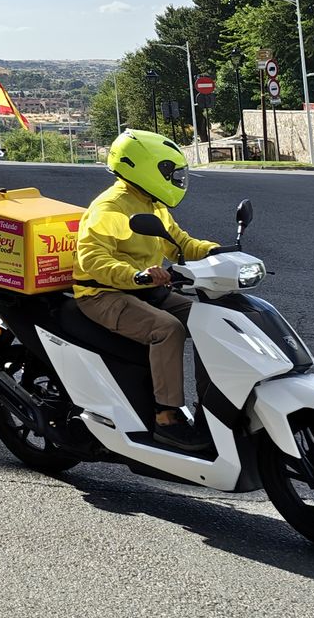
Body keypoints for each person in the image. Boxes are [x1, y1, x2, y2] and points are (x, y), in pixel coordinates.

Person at [73, 128, 220, 453]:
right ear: (141, 168)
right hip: (102, 294)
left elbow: (179, 243)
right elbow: (92, 259)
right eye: (169, 172)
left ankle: (214, 408)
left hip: (143, 288)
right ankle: (166, 417)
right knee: (167, 329)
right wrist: (136, 275)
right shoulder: (110, 207)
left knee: (210, 319)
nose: (177, 179)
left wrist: (215, 252)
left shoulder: (152, 204)